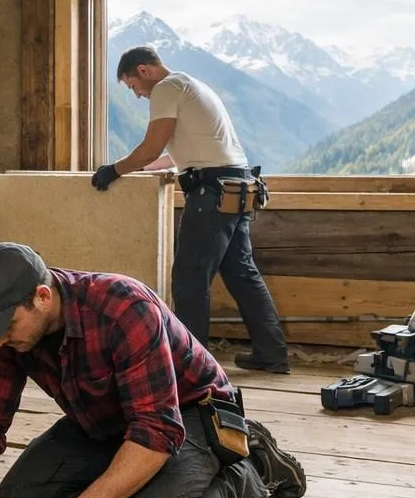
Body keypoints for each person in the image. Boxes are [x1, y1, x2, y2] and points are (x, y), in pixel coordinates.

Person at [0, 242, 306, 498]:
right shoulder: (10, 334)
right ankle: (138, 490)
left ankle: (256, 464)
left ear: (43, 297)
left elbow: (157, 429)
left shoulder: (125, 308)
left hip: (190, 412)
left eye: (6, 326)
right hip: (106, 419)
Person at [92, 45, 291, 374]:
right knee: (242, 274)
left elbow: (152, 144)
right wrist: (143, 169)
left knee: (189, 279)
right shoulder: (191, 84)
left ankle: (190, 366)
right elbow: (177, 152)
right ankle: (272, 354)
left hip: (211, 193)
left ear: (144, 70)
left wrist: (115, 169)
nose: (138, 95)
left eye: (132, 86)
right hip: (237, 187)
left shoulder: (166, 88)